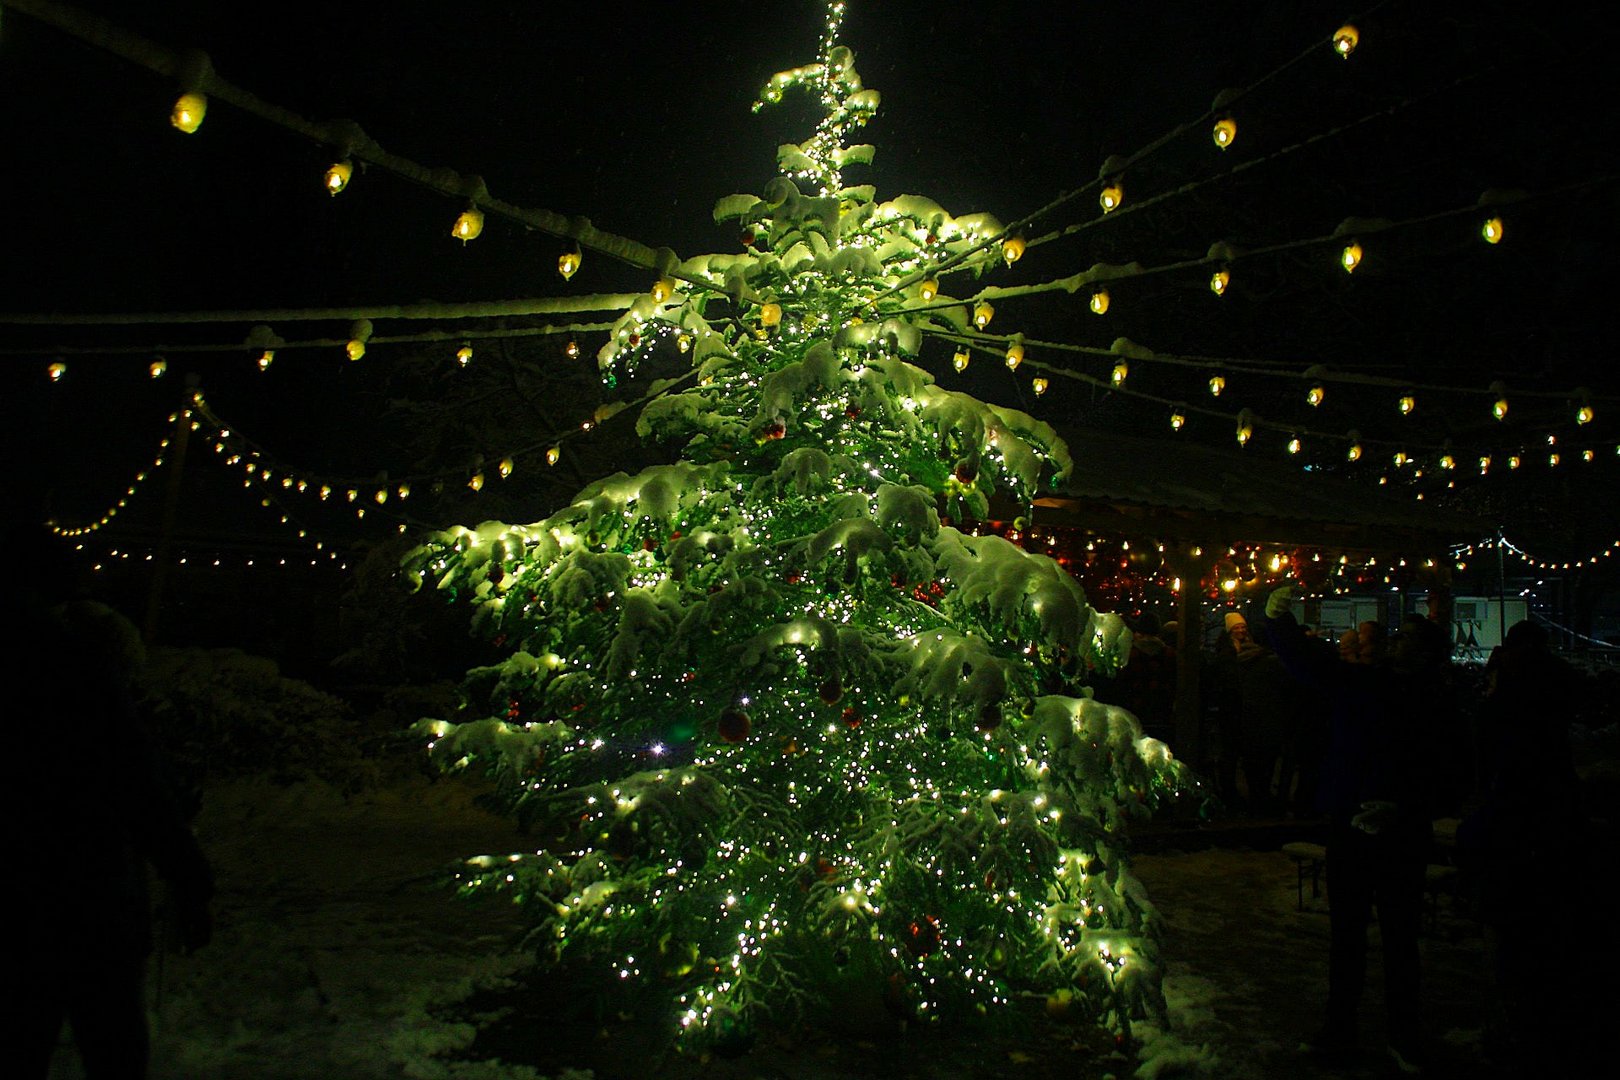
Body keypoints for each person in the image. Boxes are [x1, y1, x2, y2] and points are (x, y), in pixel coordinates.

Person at [4, 526, 213, 1078]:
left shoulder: (48, 658)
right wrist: (188, 875)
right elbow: (134, 780)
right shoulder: (73, 671)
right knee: (110, 1038)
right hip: (87, 894)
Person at [1264, 592, 1438, 1074]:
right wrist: (1278, 621)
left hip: (1396, 832)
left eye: (1402, 639)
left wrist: (1401, 808)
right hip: (1352, 824)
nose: (1390, 643)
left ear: (1422, 655)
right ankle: (1343, 1029)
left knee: (1398, 937)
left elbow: (1447, 766)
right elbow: (1309, 665)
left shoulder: (1429, 700)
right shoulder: (1367, 683)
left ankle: (1400, 1034)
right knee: (1349, 936)